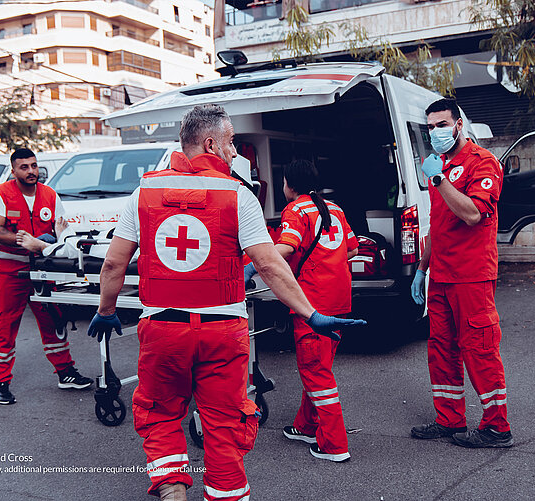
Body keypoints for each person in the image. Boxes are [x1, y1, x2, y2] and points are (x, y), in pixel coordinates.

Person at [87, 105, 365, 501]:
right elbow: (269, 264)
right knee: (223, 425)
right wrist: (311, 313)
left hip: (162, 330)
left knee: (161, 414)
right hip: (222, 333)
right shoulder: (238, 195)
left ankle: (172, 491)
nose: (236, 153)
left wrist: (106, 310)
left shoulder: (142, 192)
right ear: (211, 143)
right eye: (233, 142)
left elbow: (115, 262)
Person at [410, 98, 512, 448]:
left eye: (441, 125)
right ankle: (449, 419)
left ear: (458, 124)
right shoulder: (442, 165)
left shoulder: (482, 163)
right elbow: (438, 228)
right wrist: (422, 269)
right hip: (440, 275)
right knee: (441, 350)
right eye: (430, 128)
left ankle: (497, 427)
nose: (436, 132)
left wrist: (438, 178)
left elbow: (471, 214)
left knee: (479, 349)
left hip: (471, 276)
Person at [247, 159, 358, 462]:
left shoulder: (296, 210)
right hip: (338, 299)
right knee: (320, 366)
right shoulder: (334, 208)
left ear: (289, 184)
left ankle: (334, 445)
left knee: (316, 372)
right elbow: (352, 249)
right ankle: (306, 426)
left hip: (312, 302)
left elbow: (286, 247)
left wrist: (252, 265)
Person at [0, 148, 92, 405]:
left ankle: (65, 372)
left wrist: (54, 241)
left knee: (54, 320)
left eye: (34, 165)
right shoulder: (1, 195)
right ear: (14, 171)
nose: (31, 171)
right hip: (7, 269)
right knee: (4, 325)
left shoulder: (50, 195)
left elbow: (61, 228)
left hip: (43, 268)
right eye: (24, 167)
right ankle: (1, 382)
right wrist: (26, 241)